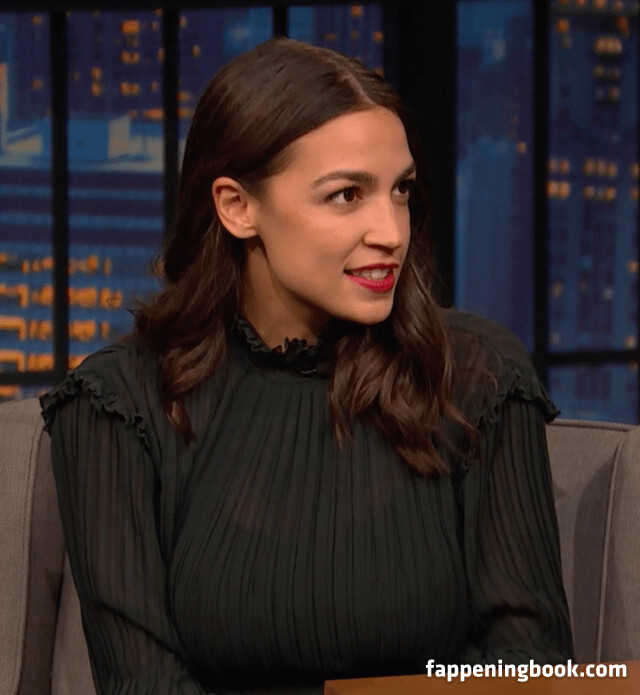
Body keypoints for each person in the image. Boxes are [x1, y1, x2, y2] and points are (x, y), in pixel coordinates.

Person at [40, 37, 574, 695]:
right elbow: (142, 681)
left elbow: (531, 666)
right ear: (237, 207)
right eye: (347, 195)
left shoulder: (475, 375)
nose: (392, 231)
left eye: (401, 190)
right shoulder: (118, 403)